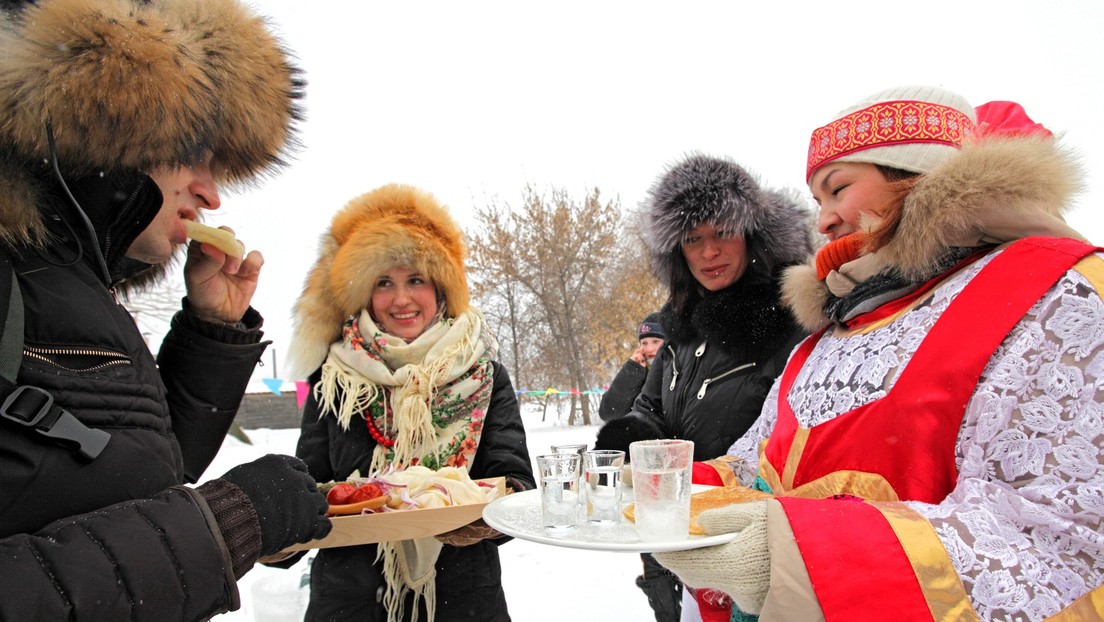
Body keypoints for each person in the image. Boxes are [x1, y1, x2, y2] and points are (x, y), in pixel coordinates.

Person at [654, 85, 1104, 621]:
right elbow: (758, 462)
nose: (823, 220)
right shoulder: (833, 329)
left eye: (838, 188)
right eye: (818, 200)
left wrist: (797, 558)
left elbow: (1061, 538)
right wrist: (663, 488)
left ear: (916, 173)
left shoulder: (1057, 291)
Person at [0, 0, 333, 619]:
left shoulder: (67, 285)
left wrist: (210, 332)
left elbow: (130, 473)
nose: (210, 191)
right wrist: (221, 527)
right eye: (192, 151)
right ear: (112, 118)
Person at [285, 184, 535, 622]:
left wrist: (487, 515)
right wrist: (280, 529)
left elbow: (513, 480)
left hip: (463, 600)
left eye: (415, 280)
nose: (401, 299)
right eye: (384, 283)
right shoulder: (334, 376)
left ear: (440, 289)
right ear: (365, 293)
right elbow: (313, 484)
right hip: (351, 602)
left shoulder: (484, 373)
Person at [594, 153, 814, 622]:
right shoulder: (679, 326)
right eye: (694, 239)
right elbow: (651, 408)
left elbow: (783, 444)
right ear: (677, 250)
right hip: (674, 529)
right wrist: (629, 437)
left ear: (752, 236)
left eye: (722, 233)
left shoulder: (790, 322)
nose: (709, 252)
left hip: (751, 543)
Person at [598, 312, 666, 422]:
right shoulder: (640, 375)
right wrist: (632, 371)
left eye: (656, 341)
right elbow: (609, 413)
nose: (649, 348)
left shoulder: (682, 369)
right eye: (644, 343)